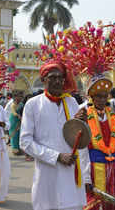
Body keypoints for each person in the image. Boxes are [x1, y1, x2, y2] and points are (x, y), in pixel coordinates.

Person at [20, 60, 92, 210]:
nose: (58, 81)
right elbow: (25, 142)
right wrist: (56, 156)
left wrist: (86, 176)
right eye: (53, 77)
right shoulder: (33, 105)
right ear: (43, 80)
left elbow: (80, 141)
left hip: (71, 178)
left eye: (60, 78)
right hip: (47, 175)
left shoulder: (71, 102)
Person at [84, 75, 115, 210]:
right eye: (98, 96)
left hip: (114, 167)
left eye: (104, 96)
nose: (102, 100)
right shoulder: (85, 116)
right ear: (92, 97)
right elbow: (82, 149)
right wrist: (85, 177)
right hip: (94, 168)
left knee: (112, 203)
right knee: (93, 204)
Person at [8, 90, 25, 155]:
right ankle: (15, 149)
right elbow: (13, 112)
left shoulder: (21, 104)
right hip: (14, 120)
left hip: (20, 120)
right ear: (15, 97)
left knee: (19, 134)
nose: (20, 98)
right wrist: (18, 116)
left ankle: (19, 148)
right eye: (19, 96)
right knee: (14, 134)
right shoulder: (12, 104)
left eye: (21, 97)